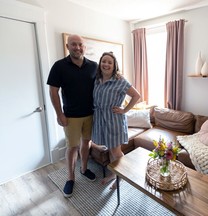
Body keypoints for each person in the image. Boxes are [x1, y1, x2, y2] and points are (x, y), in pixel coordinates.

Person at [47, 34, 98, 198]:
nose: (77, 47)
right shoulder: (59, 66)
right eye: (73, 44)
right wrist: (59, 114)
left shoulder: (94, 66)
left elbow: (105, 82)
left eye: (80, 44)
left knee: (86, 143)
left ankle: (83, 169)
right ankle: (70, 178)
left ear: (85, 47)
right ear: (68, 47)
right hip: (71, 116)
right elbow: (53, 91)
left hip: (90, 113)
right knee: (72, 147)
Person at [90, 52, 140, 189]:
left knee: (116, 151)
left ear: (114, 66)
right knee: (111, 150)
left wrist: (124, 110)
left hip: (114, 120)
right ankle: (114, 174)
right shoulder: (97, 79)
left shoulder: (120, 80)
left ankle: (120, 177)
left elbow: (137, 96)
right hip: (100, 119)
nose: (106, 64)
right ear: (100, 63)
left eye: (109, 62)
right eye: (103, 61)